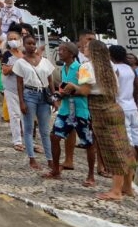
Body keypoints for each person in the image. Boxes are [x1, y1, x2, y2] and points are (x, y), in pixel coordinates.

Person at [64, 39, 136, 200]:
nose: (84, 49)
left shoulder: (86, 67)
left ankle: (116, 191)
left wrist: (73, 85)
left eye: (87, 47)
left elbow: (84, 90)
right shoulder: (110, 66)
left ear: (93, 51)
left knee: (112, 150)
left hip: (100, 109)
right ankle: (127, 187)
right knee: (125, 146)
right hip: (114, 107)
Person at [43, 42, 95, 186]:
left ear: (72, 53)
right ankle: (55, 169)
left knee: (88, 142)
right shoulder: (63, 69)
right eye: (59, 50)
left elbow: (86, 90)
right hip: (66, 110)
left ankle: (91, 175)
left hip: (80, 110)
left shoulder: (81, 68)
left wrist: (71, 90)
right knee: (54, 137)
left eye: (63, 50)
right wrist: (60, 95)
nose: (60, 52)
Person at [12, 35, 55, 170]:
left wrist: (54, 98)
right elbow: (19, 83)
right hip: (29, 94)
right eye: (28, 44)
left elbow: (51, 80)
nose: (31, 46)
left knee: (45, 130)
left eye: (33, 43)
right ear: (24, 45)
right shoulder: (20, 63)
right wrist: (21, 102)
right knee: (29, 128)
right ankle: (32, 158)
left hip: (43, 94)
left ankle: (50, 159)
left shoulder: (45, 61)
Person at [110, 45, 138, 159]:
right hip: (132, 106)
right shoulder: (130, 68)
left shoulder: (114, 69)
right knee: (136, 138)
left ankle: (131, 168)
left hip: (120, 107)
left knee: (127, 141)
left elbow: (112, 89)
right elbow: (136, 87)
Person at [0, 30, 26, 151]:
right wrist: (17, 66)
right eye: (10, 39)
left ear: (20, 39)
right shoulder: (7, 55)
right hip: (11, 88)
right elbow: (5, 70)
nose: (13, 41)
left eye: (15, 38)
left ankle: (28, 140)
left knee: (26, 115)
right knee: (14, 114)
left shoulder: (24, 53)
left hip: (26, 89)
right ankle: (17, 140)